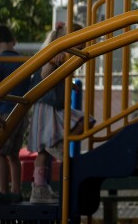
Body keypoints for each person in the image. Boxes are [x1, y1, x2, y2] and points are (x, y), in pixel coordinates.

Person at [26, 21, 84, 204]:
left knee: (44, 153)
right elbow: (44, 75)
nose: (84, 44)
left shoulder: (67, 57)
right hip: (46, 108)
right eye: (81, 41)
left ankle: (40, 189)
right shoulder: (54, 55)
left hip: (55, 107)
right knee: (44, 152)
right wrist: (52, 61)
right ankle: (39, 190)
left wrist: (72, 84)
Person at [0, 24, 32, 205]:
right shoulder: (24, 61)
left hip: (3, 113)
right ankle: (16, 190)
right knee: (14, 155)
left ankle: (3, 191)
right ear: (12, 41)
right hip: (21, 112)